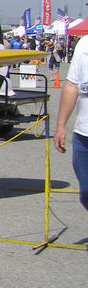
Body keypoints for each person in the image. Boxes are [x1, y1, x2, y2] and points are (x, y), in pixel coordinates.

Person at [53, 34, 88, 213]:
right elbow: (71, 85)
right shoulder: (84, 44)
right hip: (84, 135)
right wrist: (60, 126)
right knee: (86, 192)